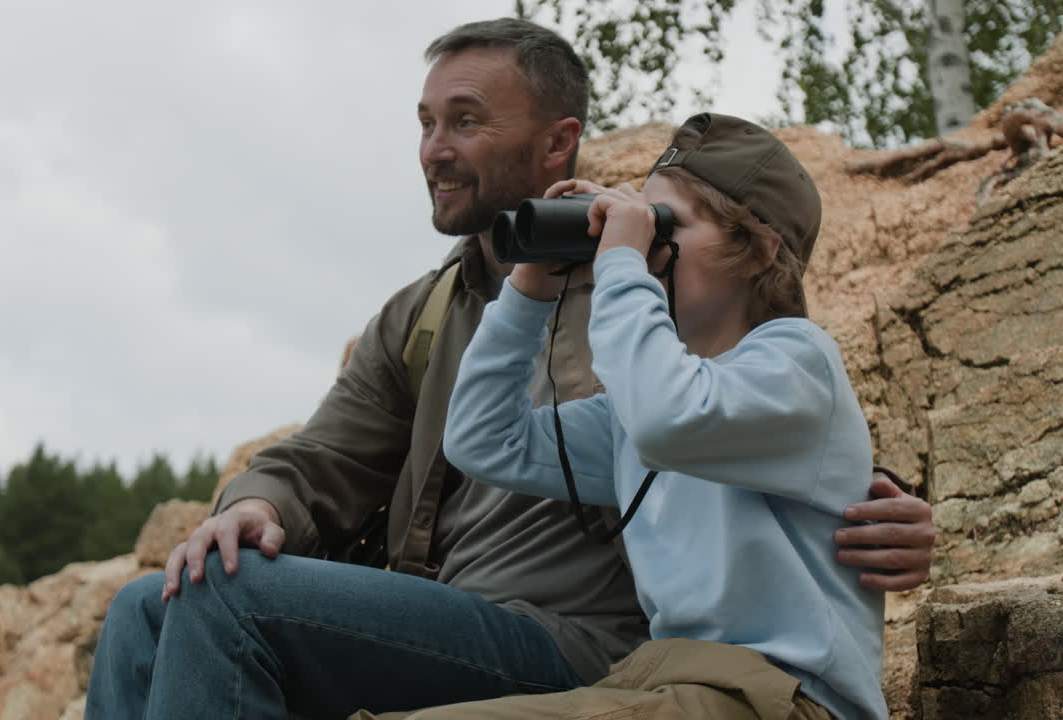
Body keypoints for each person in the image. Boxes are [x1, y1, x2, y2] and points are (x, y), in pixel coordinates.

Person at [85, 19, 933, 720]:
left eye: (464, 121)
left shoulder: (656, 308)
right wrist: (256, 503)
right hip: (440, 613)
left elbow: (741, 420)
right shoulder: (424, 314)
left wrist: (882, 497)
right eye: (424, 123)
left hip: (586, 637)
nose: (434, 149)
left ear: (557, 141)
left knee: (226, 603)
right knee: (149, 605)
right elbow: (348, 453)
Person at [390, 113, 886, 719]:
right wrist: (529, 286)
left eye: (664, 225)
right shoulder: (648, 407)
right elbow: (482, 441)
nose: (640, 241)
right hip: (666, 683)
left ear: (758, 251)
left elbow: (669, 419)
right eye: (641, 219)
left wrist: (623, 260)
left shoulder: (799, 361)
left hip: (784, 698)